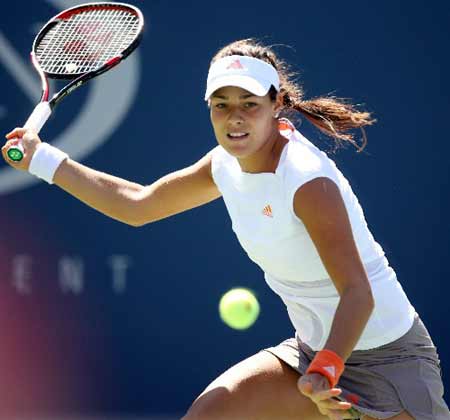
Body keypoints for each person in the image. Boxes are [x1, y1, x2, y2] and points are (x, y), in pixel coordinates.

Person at [2, 38, 449, 420]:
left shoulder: (307, 181)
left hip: (389, 361)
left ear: (276, 104)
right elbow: (138, 205)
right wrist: (42, 158)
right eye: (222, 105)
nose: (235, 118)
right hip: (312, 354)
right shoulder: (223, 166)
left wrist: (327, 369)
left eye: (249, 105)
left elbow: (358, 293)